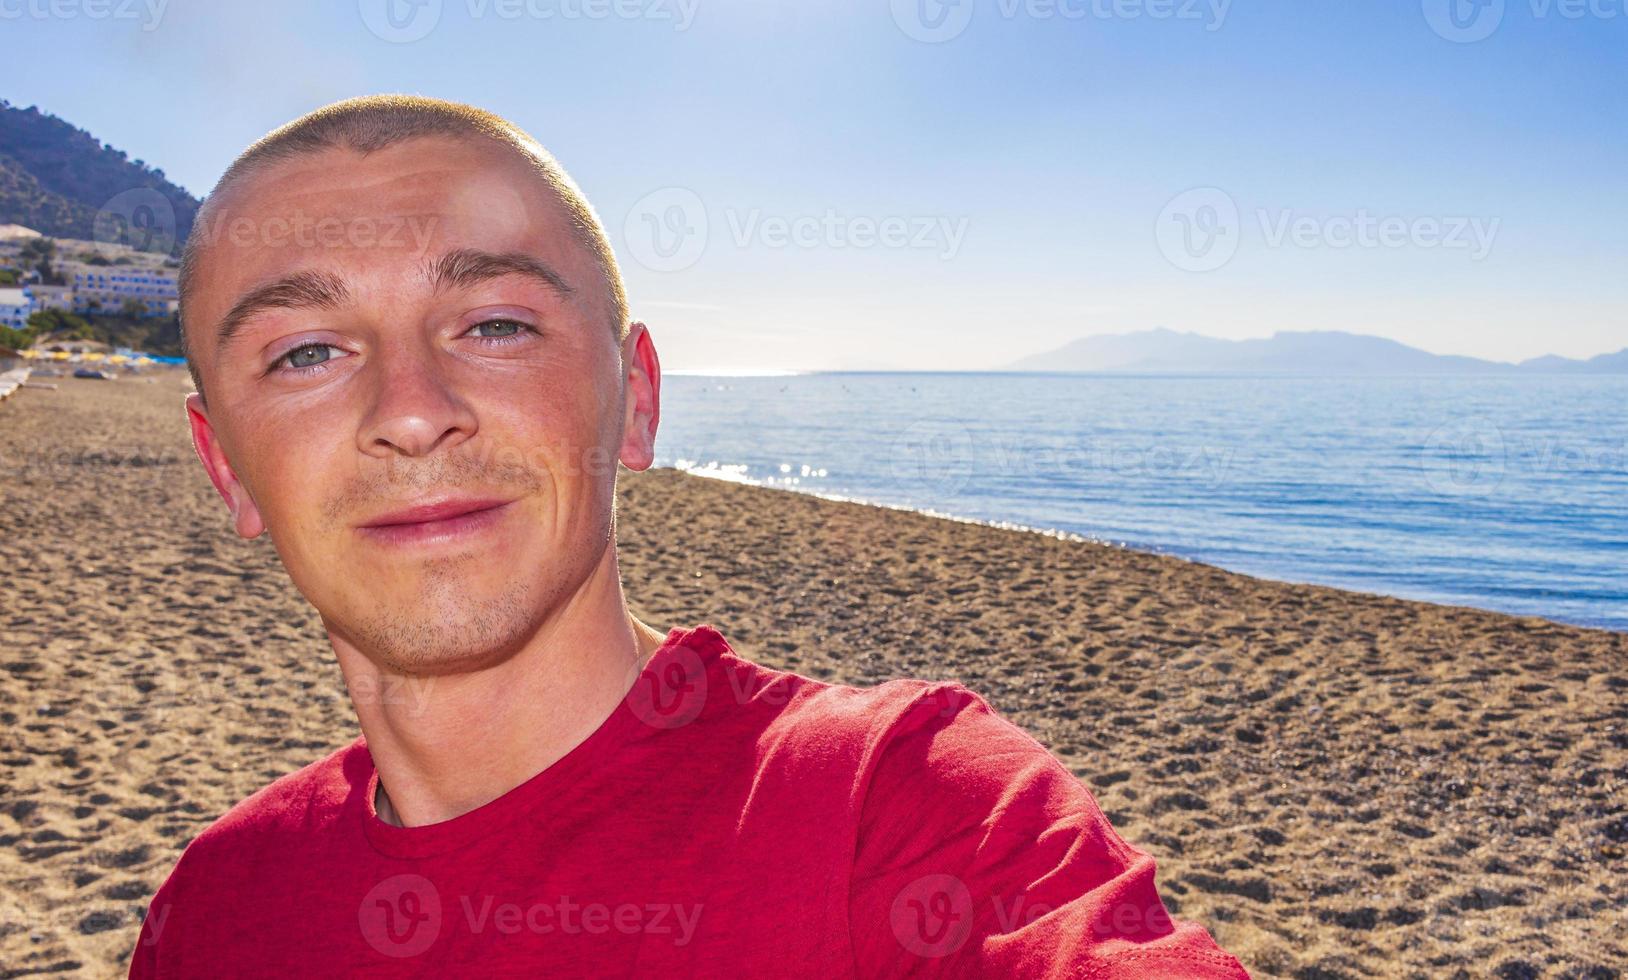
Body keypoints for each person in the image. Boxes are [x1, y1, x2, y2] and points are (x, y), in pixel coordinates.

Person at [129, 94, 1249, 978]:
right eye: (305, 352)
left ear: (638, 400)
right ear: (226, 463)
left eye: (497, 324)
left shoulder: (902, 804)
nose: (411, 409)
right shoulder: (216, 903)